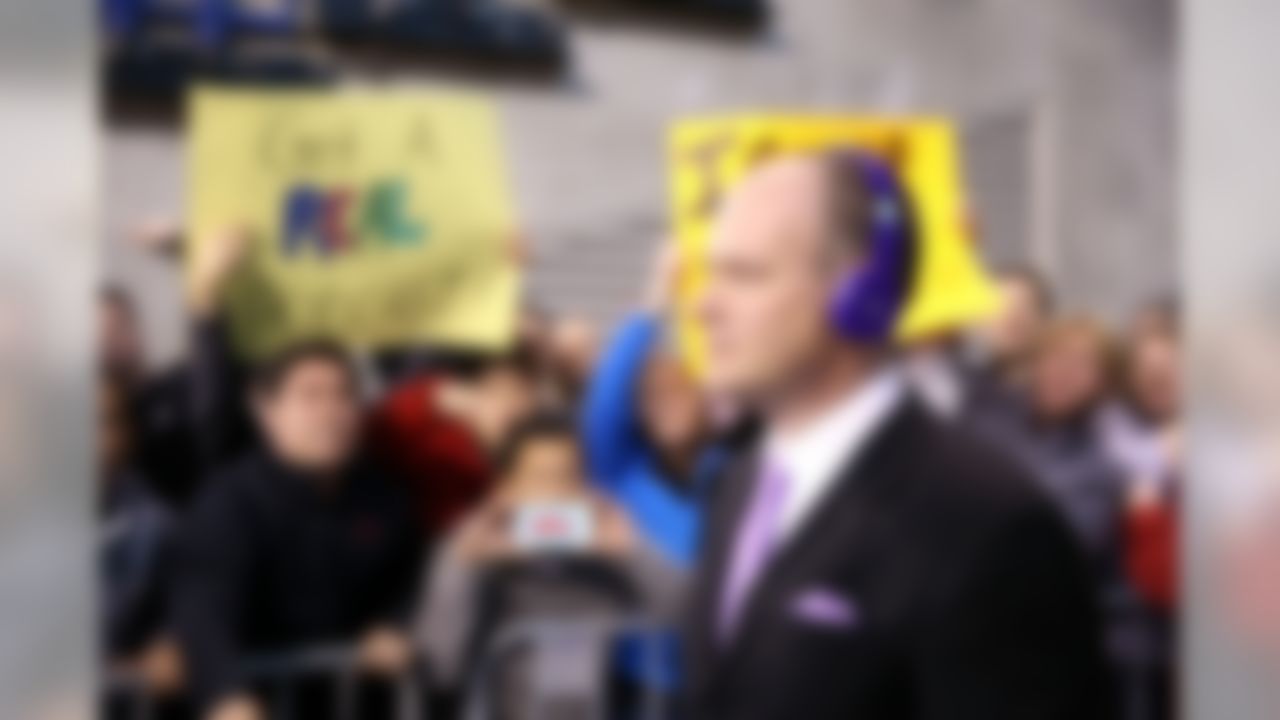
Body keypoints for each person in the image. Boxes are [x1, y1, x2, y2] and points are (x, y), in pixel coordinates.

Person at [685, 149, 1112, 720]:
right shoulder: (740, 483)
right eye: (713, 273)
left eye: (745, 274)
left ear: (857, 293)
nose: (702, 304)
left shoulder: (988, 524)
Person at [173, 340, 423, 720]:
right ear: (266, 410)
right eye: (310, 396)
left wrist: (393, 625)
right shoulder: (231, 503)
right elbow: (205, 608)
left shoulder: (383, 498)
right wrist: (225, 695)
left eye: (344, 394)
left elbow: (407, 580)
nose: (331, 411)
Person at [415, 413, 682, 718]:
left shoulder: (608, 566)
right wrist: (462, 561)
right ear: (505, 490)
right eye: (541, 479)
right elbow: (438, 665)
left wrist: (633, 549)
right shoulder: (479, 564)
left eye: (566, 477)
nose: (554, 493)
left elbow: (692, 615)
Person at [99, 368, 184, 711]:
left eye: (105, 420)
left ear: (128, 435)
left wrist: (174, 641)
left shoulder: (158, 527)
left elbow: (188, 607)